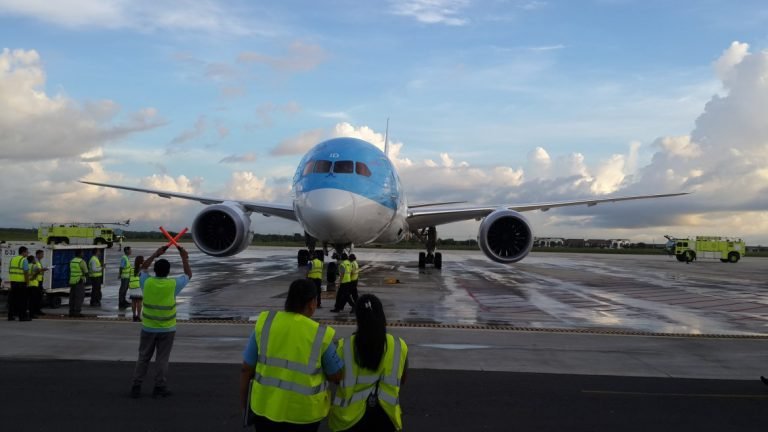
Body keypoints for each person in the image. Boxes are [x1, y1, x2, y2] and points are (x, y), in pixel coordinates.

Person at [240, 279, 343, 431]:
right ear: (312, 303)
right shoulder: (320, 334)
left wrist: (244, 407)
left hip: (264, 410)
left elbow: (246, 369)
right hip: (304, 416)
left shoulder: (266, 324)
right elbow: (336, 375)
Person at [328, 294, 408, 432]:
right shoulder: (399, 346)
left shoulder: (343, 346)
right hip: (386, 418)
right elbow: (402, 379)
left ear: (358, 319)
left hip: (349, 420)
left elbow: (335, 378)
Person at [130, 246, 191, 398]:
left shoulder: (147, 282)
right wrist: (184, 257)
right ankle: (159, 387)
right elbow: (188, 274)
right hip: (167, 329)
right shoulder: (172, 285)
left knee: (143, 357)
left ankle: (136, 386)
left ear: (155, 270)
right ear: (168, 272)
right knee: (162, 360)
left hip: (148, 327)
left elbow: (143, 268)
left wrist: (155, 254)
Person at [8, 246, 31, 321]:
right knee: (22, 301)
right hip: (21, 283)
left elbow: (10, 270)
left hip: (13, 282)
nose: (28, 254)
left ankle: (10, 316)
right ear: (23, 252)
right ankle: (22, 316)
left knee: (13, 300)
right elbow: (26, 273)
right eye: (27, 252)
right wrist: (27, 283)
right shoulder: (24, 260)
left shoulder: (12, 259)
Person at [68, 249, 88, 318]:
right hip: (79, 281)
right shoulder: (81, 261)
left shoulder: (72, 260)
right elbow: (86, 272)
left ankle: (71, 311)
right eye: (82, 253)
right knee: (79, 297)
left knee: (72, 297)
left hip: (72, 280)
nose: (83, 254)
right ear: (79, 254)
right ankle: (77, 312)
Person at [30, 250, 47, 316]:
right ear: (38, 254)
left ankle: (37, 310)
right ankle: (35, 311)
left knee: (39, 296)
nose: (43, 256)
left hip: (39, 280)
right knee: (36, 297)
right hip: (36, 281)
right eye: (42, 254)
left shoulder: (38, 261)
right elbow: (36, 270)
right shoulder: (35, 261)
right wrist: (43, 270)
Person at [128, 256, 145, 322]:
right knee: (139, 302)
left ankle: (134, 315)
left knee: (133, 301)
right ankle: (138, 316)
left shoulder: (132, 269)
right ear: (141, 261)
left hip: (132, 286)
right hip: (138, 286)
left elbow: (129, 277)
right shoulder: (142, 269)